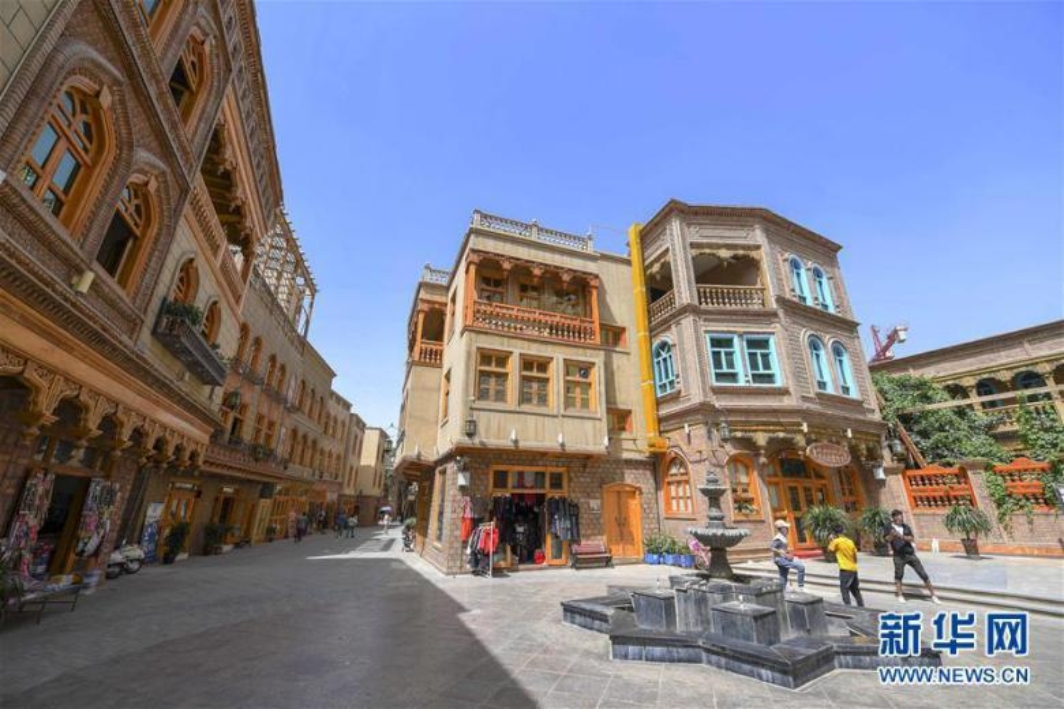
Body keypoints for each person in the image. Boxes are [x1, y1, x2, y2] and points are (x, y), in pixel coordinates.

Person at [884, 509, 941, 604]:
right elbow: (886, 540)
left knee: (923, 574)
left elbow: (911, 538)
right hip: (898, 555)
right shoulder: (888, 527)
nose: (901, 519)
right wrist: (891, 535)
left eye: (901, 517)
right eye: (898, 518)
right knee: (899, 575)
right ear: (894, 518)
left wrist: (901, 536)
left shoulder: (906, 527)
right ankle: (900, 595)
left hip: (910, 554)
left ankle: (933, 595)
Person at [828, 525, 863, 607]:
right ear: (843, 531)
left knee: (844, 589)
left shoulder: (836, 542)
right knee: (855, 590)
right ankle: (861, 605)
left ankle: (848, 607)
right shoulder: (850, 541)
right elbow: (855, 556)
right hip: (853, 568)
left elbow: (830, 550)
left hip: (845, 569)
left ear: (835, 533)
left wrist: (830, 540)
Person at [770, 519, 805, 589]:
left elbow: (782, 548)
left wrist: (788, 553)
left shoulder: (783, 537)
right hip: (780, 559)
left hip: (780, 559)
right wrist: (783, 553)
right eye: (786, 528)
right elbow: (772, 548)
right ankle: (801, 587)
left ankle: (783, 590)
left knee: (783, 575)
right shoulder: (778, 538)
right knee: (801, 567)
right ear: (781, 529)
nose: (787, 529)